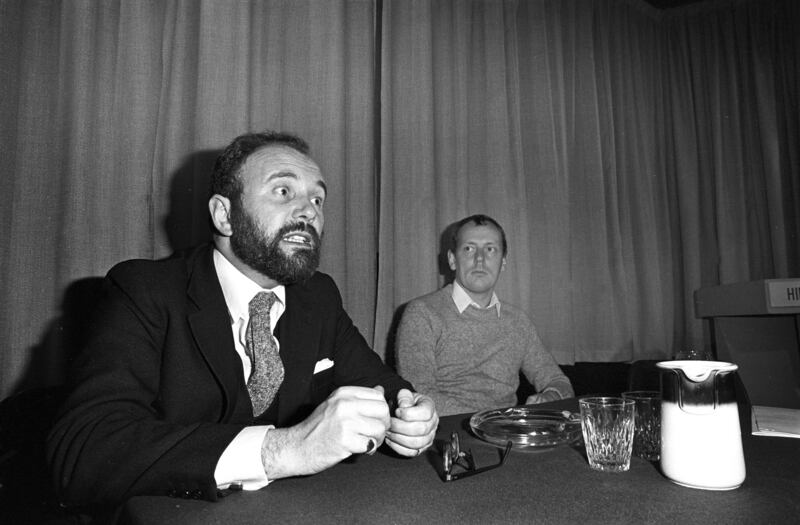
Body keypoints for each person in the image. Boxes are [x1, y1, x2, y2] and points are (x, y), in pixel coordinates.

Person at [47, 131, 438, 510]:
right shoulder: (146, 290)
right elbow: (84, 451)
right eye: (284, 191)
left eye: (318, 199)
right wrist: (286, 449)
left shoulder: (318, 296)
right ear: (224, 214)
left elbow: (384, 386)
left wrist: (411, 414)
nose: (309, 211)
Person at [395, 214, 573, 417]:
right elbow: (419, 395)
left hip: (508, 435)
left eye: (490, 249)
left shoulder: (517, 322)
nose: (480, 259)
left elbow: (558, 382)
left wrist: (551, 396)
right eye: (469, 248)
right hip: (447, 436)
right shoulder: (422, 313)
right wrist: (495, 420)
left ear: (503, 262)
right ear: (452, 260)